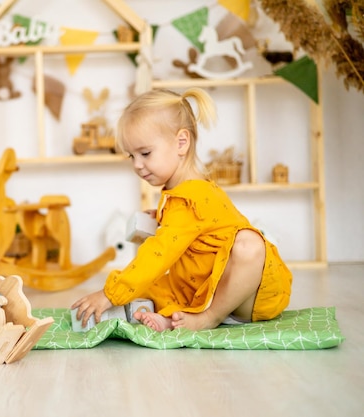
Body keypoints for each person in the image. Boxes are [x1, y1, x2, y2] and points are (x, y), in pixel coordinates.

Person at [72, 88, 292, 332]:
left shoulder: (191, 197)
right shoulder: (180, 195)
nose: (137, 165)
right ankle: (172, 319)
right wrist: (161, 220)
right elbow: (193, 233)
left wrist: (110, 294)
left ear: (181, 143)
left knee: (249, 244)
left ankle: (209, 318)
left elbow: (159, 253)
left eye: (145, 153)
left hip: (247, 296)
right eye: (131, 156)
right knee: (152, 287)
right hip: (203, 284)